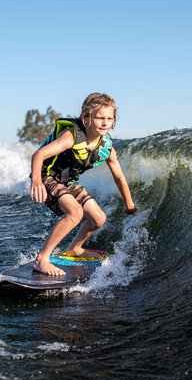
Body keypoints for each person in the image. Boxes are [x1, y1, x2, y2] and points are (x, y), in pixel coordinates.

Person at [29, 92, 136, 276]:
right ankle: (42, 259)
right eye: (99, 118)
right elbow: (39, 155)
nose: (105, 123)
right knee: (75, 213)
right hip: (47, 175)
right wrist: (37, 180)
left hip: (67, 182)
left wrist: (129, 203)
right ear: (86, 119)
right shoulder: (71, 136)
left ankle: (75, 249)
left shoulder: (107, 147)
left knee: (98, 218)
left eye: (109, 118)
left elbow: (118, 176)